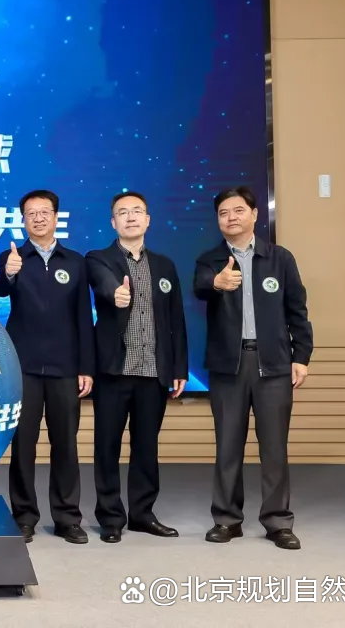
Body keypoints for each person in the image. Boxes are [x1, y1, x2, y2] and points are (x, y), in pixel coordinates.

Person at [193, 186, 312, 550]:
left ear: (255, 214)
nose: (231, 217)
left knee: (274, 448)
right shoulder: (210, 260)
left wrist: (301, 357)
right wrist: (217, 282)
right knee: (228, 446)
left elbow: (298, 311)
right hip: (228, 366)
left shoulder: (280, 258)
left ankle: (278, 521)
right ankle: (227, 519)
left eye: (238, 210)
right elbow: (199, 287)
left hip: (273, 364)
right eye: (223, 213)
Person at [0, 189, 95, 545]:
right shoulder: (13, 256)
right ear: (23, 220)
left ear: (55, 217)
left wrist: (86, 367)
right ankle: (24, 516)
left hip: (66, 367)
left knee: (65, 444)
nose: (38, 218)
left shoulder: (75, 261)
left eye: (44, 212)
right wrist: (8, 273)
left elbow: (83, 317)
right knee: (23, 445)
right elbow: (0, 290)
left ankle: (68, 518)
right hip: (24, 366)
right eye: (31, 213)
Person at [85, 191, 188, 544]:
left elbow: (176, 320)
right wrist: (115, 293)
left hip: (153, 371)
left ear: (148, 220)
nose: (130, 217)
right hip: (113, 370)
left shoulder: (165, 266)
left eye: (137, 211)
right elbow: (101, 281)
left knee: (146, 447)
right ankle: (111, 517)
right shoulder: (98, 258)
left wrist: (179, 367)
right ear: (113, 222)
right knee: (107, 447)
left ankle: (143, 514)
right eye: (122, 213)